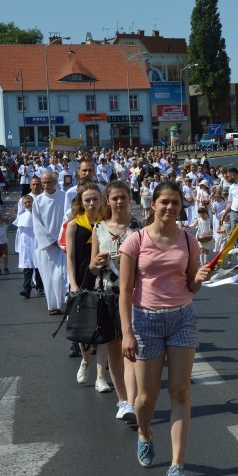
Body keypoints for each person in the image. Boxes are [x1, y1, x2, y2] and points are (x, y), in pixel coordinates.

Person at [119, 181, 213, 476]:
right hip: (145, 320)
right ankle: (145, 433)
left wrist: (198, 277)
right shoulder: (135, 241)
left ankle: (177, 464)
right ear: (153, 204)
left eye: (175, 203)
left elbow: (191, 285)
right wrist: (127, 333)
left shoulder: (188, 242)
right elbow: (124, 292)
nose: (170, 208)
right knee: (146, 398)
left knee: (181, 391)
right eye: (164, 202)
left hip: (182, 318)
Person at [91, 180, 141, 424]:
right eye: (114, 198)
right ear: (107, 201)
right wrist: (97, 262)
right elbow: (91, 268)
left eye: (123, 197)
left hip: (133, 295)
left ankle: (132, 402)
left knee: (129, 349)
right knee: (113, 348)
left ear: (129, 198)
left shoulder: (139, 228)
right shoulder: (99, 228)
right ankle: (123, 400)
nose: (119, 201)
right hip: (107, 294)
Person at [65, 181, 112, 391]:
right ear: (81, 202)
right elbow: (71, 258)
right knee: (85, 327)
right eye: (87, 200)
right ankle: (86, 361)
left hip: (103, 279)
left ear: (101, 200)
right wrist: (73, 283)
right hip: (82, 279)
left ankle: (101, 377)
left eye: (95, 199)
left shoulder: (106, 223)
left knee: (102, 327)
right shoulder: (75, 224)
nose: (92, 203)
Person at [33, 172, 68, 315]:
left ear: (55, 182)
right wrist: (50, 239)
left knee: (63, 275)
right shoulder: (38, 201)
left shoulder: (64, 196)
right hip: (47, 246)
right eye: (44, 182)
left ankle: (67, 301)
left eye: (49, 182)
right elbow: (37, 224)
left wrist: (63, 237)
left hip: (64, 242)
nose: (46, 185)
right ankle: (53, 305)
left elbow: (69, 217)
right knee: (49, 276)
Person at [14, 194, 41, 298]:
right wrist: (19, 246)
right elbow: (19, 233)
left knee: (38, 268)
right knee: (27, 269)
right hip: (26, 246)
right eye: (25, 203)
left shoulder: (38, 214)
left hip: (36, 243)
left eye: (29, 202)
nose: (27, 204)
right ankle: (26, 289)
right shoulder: (21, 217)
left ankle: (40, 287)